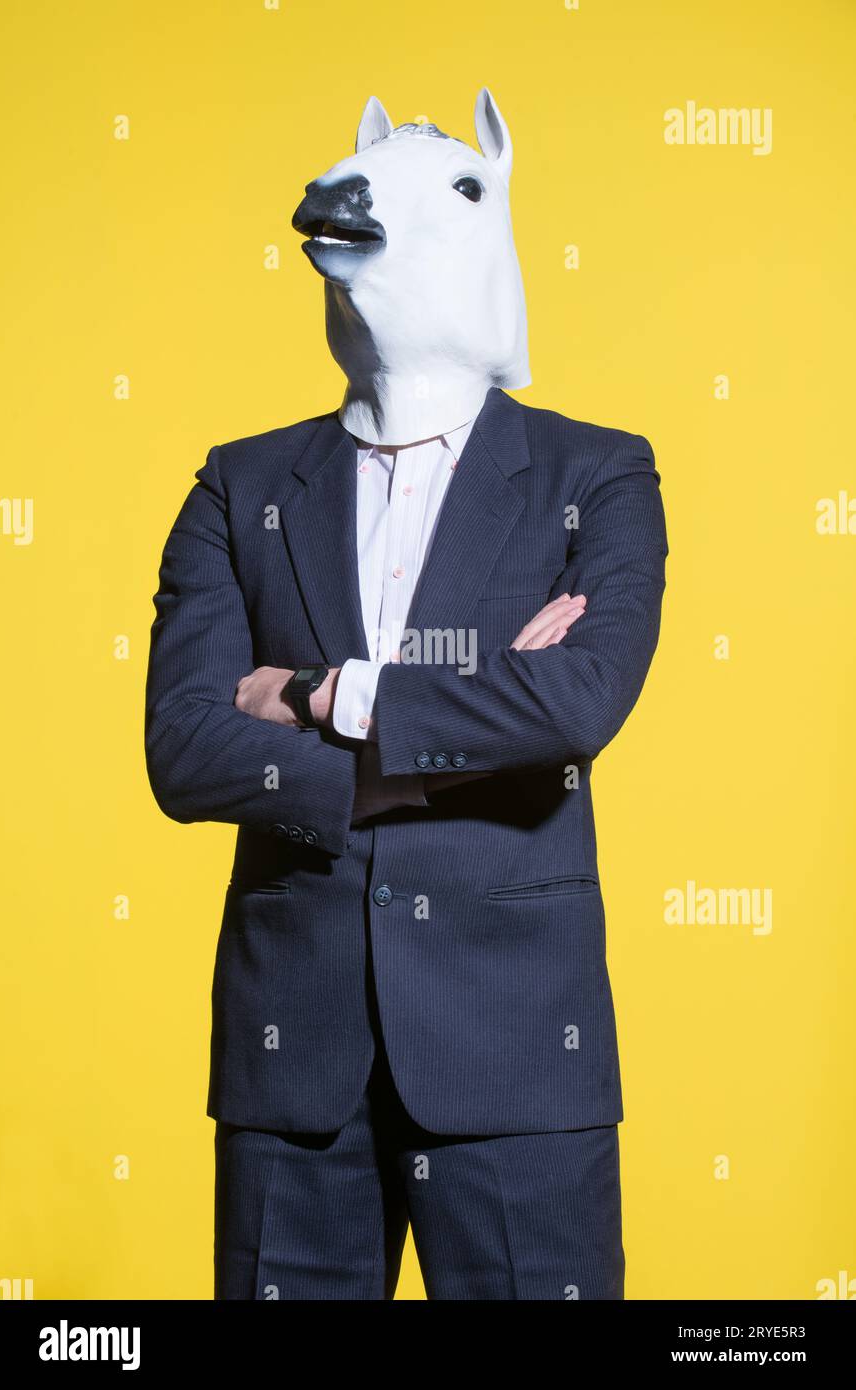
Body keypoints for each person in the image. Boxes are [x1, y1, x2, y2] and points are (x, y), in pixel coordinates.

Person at [145, 90, 667, 1301]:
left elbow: (578, 700)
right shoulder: (239, 485)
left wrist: (329, 696)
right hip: (295, 1070)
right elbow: (185, 748)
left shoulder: (599, 474)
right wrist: (480, 719)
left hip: (519, 1057)